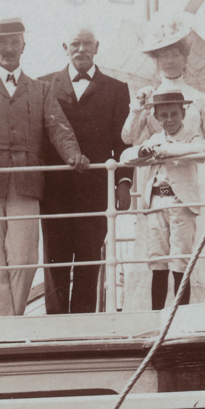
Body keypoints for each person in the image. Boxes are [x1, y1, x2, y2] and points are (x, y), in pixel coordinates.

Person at [0, 18, 88, 315]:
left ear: (23, 46)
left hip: (26, 182)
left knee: (25, 257)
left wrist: (73, 154)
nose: (8, 48)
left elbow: (58, 127)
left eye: (14, 42)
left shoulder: (40, 89)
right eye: (1, 42)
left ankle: (11, 320)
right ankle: (0, 326)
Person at [38, 25, 131, 313]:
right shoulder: (43, 85)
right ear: (64, 47)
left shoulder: (117, 89)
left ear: (97, 47)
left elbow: (123, 141)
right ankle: (55, 325)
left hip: (95, 187)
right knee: (55, 257)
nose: (81, 50)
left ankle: (84, 323)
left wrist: (124, 182)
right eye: (75, 44)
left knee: (90, 257)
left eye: (87, 44)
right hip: (54, 189)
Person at [122, 85, 205, 307]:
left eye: (173, 114)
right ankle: (157, 315)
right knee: (157, 261)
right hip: (156, 203)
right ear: (157, 118)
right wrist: (143, 152)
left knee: (180, 261)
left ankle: (181, 316)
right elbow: (126, 154)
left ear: (183, 113)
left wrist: (167, 150)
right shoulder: (154, 140)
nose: (169, 120)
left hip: (181, 204)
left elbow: (200, 152)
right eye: (163, 116)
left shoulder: (192, 139)